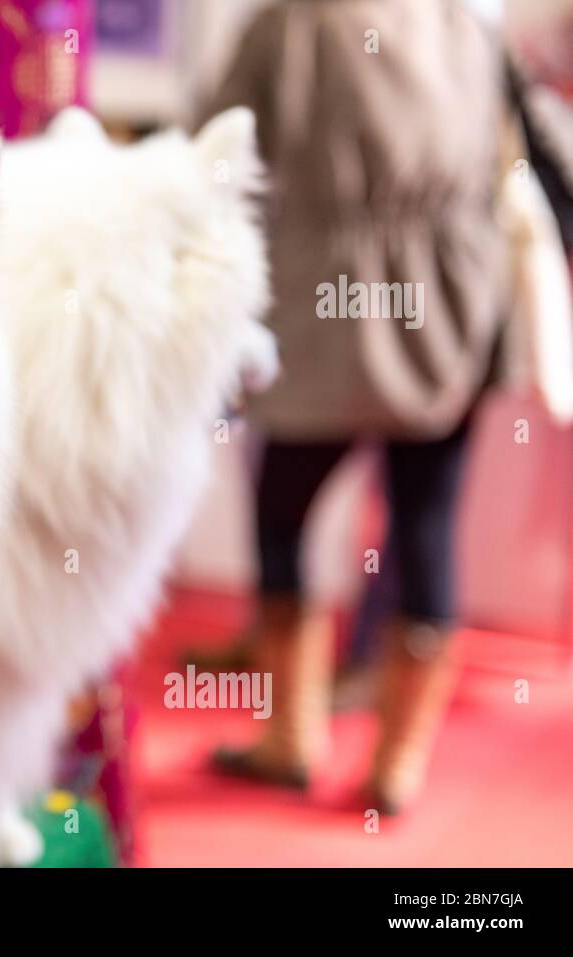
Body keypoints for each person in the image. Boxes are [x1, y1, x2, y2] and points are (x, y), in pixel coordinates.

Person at [198, 0, 572, 813]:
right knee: (426, 526)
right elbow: (535, 143)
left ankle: (291, 736)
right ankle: (397, 763)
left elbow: (214, 148)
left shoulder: (286, 25)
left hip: (320, 305)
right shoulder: (465, 24)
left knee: (282, 517)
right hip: (449, 305)